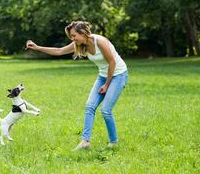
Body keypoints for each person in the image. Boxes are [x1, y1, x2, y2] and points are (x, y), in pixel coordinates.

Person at [26, 21, 128, 150]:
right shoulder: (79, 44)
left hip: (118, 75)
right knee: (90, 106)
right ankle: (85, 142)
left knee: (106, 110)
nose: (73, 39)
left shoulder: (100, 41)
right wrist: (38, 47)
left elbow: (112, 62)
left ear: (83, 33)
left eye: (74, 35)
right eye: (71, 36)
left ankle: (113, 143)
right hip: (103, 75)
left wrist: (107, 85)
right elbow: (59, 51)